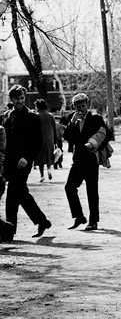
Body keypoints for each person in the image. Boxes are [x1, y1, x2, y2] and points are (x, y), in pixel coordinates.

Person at [3, 85, 51, 240]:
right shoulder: (6, 116)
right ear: (11, 99)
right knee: (19, 193)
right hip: (9, 163)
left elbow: (37, 142)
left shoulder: (32, 117)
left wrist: (27, 158)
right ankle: (41, 221)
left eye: (22, 98)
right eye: (17, 98)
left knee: (14, 193)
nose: (20, 101)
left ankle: (9, 232)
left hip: (24, 162)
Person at [63, 93, 112, 231]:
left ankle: (93, 221)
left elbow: (107, 134)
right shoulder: (72, 119)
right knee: (69, 187)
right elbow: (67, 137)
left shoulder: (95, 118)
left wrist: (95, 146)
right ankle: (79, 216)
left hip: (91, 159)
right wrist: (72, 123)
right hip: (78, 159)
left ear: (87, 105)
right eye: (78, 106)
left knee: (92, 191)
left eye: (83, 106)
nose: (81, 109)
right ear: (73, 107)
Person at [34, 99, 57, 182]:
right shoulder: (50, 116)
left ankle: (42, 175)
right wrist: (55, 141)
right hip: (49, 139)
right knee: (49, 156)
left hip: (39, 140)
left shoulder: (36, 116)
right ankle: (49, 169)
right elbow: (54, 129)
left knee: (40, 158)